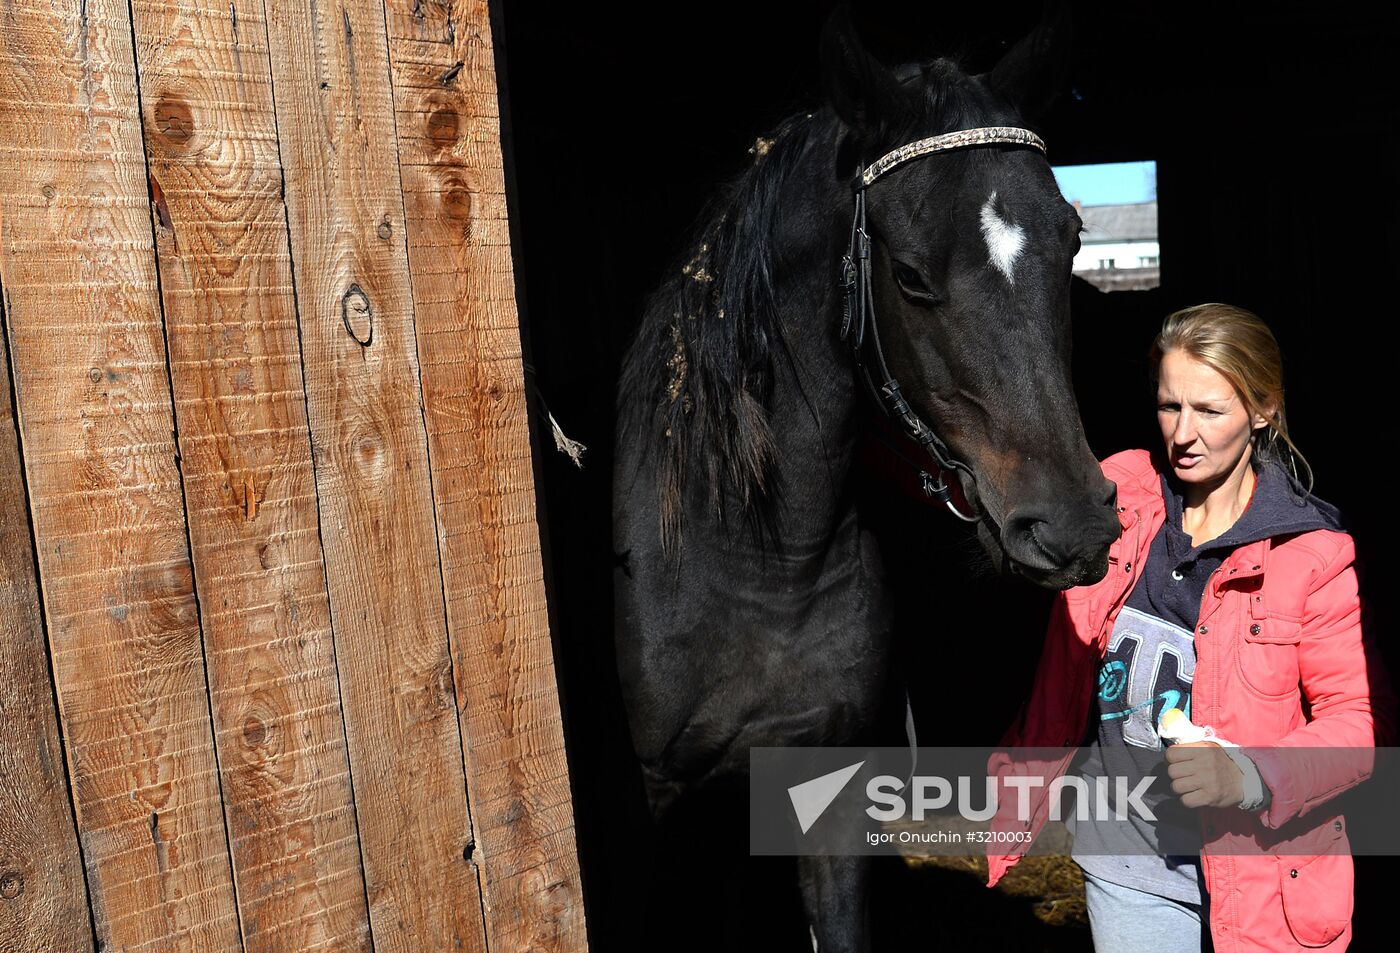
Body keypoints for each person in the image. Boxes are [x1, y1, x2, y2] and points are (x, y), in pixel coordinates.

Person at [984, 303, 1397, 952]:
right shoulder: (1121, 496)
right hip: (1126, 857)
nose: (1183, 433)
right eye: (1169, 406)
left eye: (1210, 411)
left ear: (1263, 410)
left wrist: (1249, 774)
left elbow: (1359, 721)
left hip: (1260, 869)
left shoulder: (1311, 553)